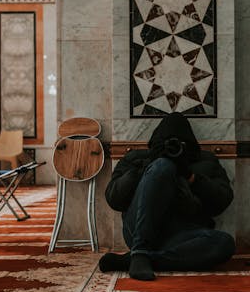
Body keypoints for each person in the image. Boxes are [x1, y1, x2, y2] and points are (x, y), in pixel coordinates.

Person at [99, 112, 235, 281]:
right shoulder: (136, 158)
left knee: (225, 243)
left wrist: (191, 176)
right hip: (138, 229)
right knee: (163, 166)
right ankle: (141, 250)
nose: (172, 148)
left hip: (183, 235)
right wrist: (150, 167)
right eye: (166, 143)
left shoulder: (206, 161)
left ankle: (136, 258)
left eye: (178, 144)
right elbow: (114, 198)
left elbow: (223, 200)